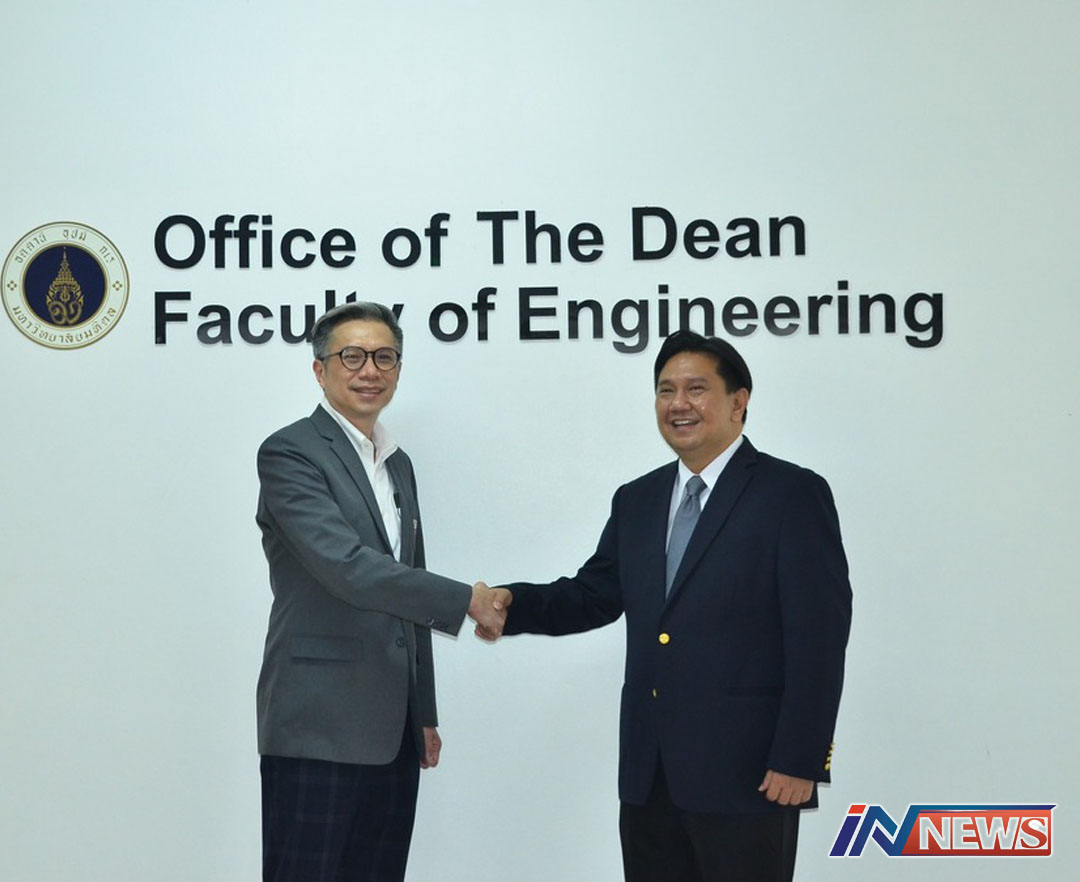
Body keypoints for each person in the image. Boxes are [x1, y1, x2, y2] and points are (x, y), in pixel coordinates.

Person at [491, 330, 852, 882]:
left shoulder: (791, 494)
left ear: (739, 402)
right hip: (649, 777)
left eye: (696, 389)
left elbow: (819, 638)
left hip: (750, 776)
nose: (678, 404)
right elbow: (593, 595)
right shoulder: (637, 499)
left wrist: (800, 758)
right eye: (665, 390)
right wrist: (508, 604)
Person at [255, 302, 504, 882]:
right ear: (320, 370)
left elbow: (408, 583)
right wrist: (468, 600)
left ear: (398, 369)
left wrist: (423, 712)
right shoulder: (290, 452)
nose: (370, 370)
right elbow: (347, 567)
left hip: (392, 733)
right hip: (318, 728)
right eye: (352, 356)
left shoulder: (398, 464)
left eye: (385, 357)